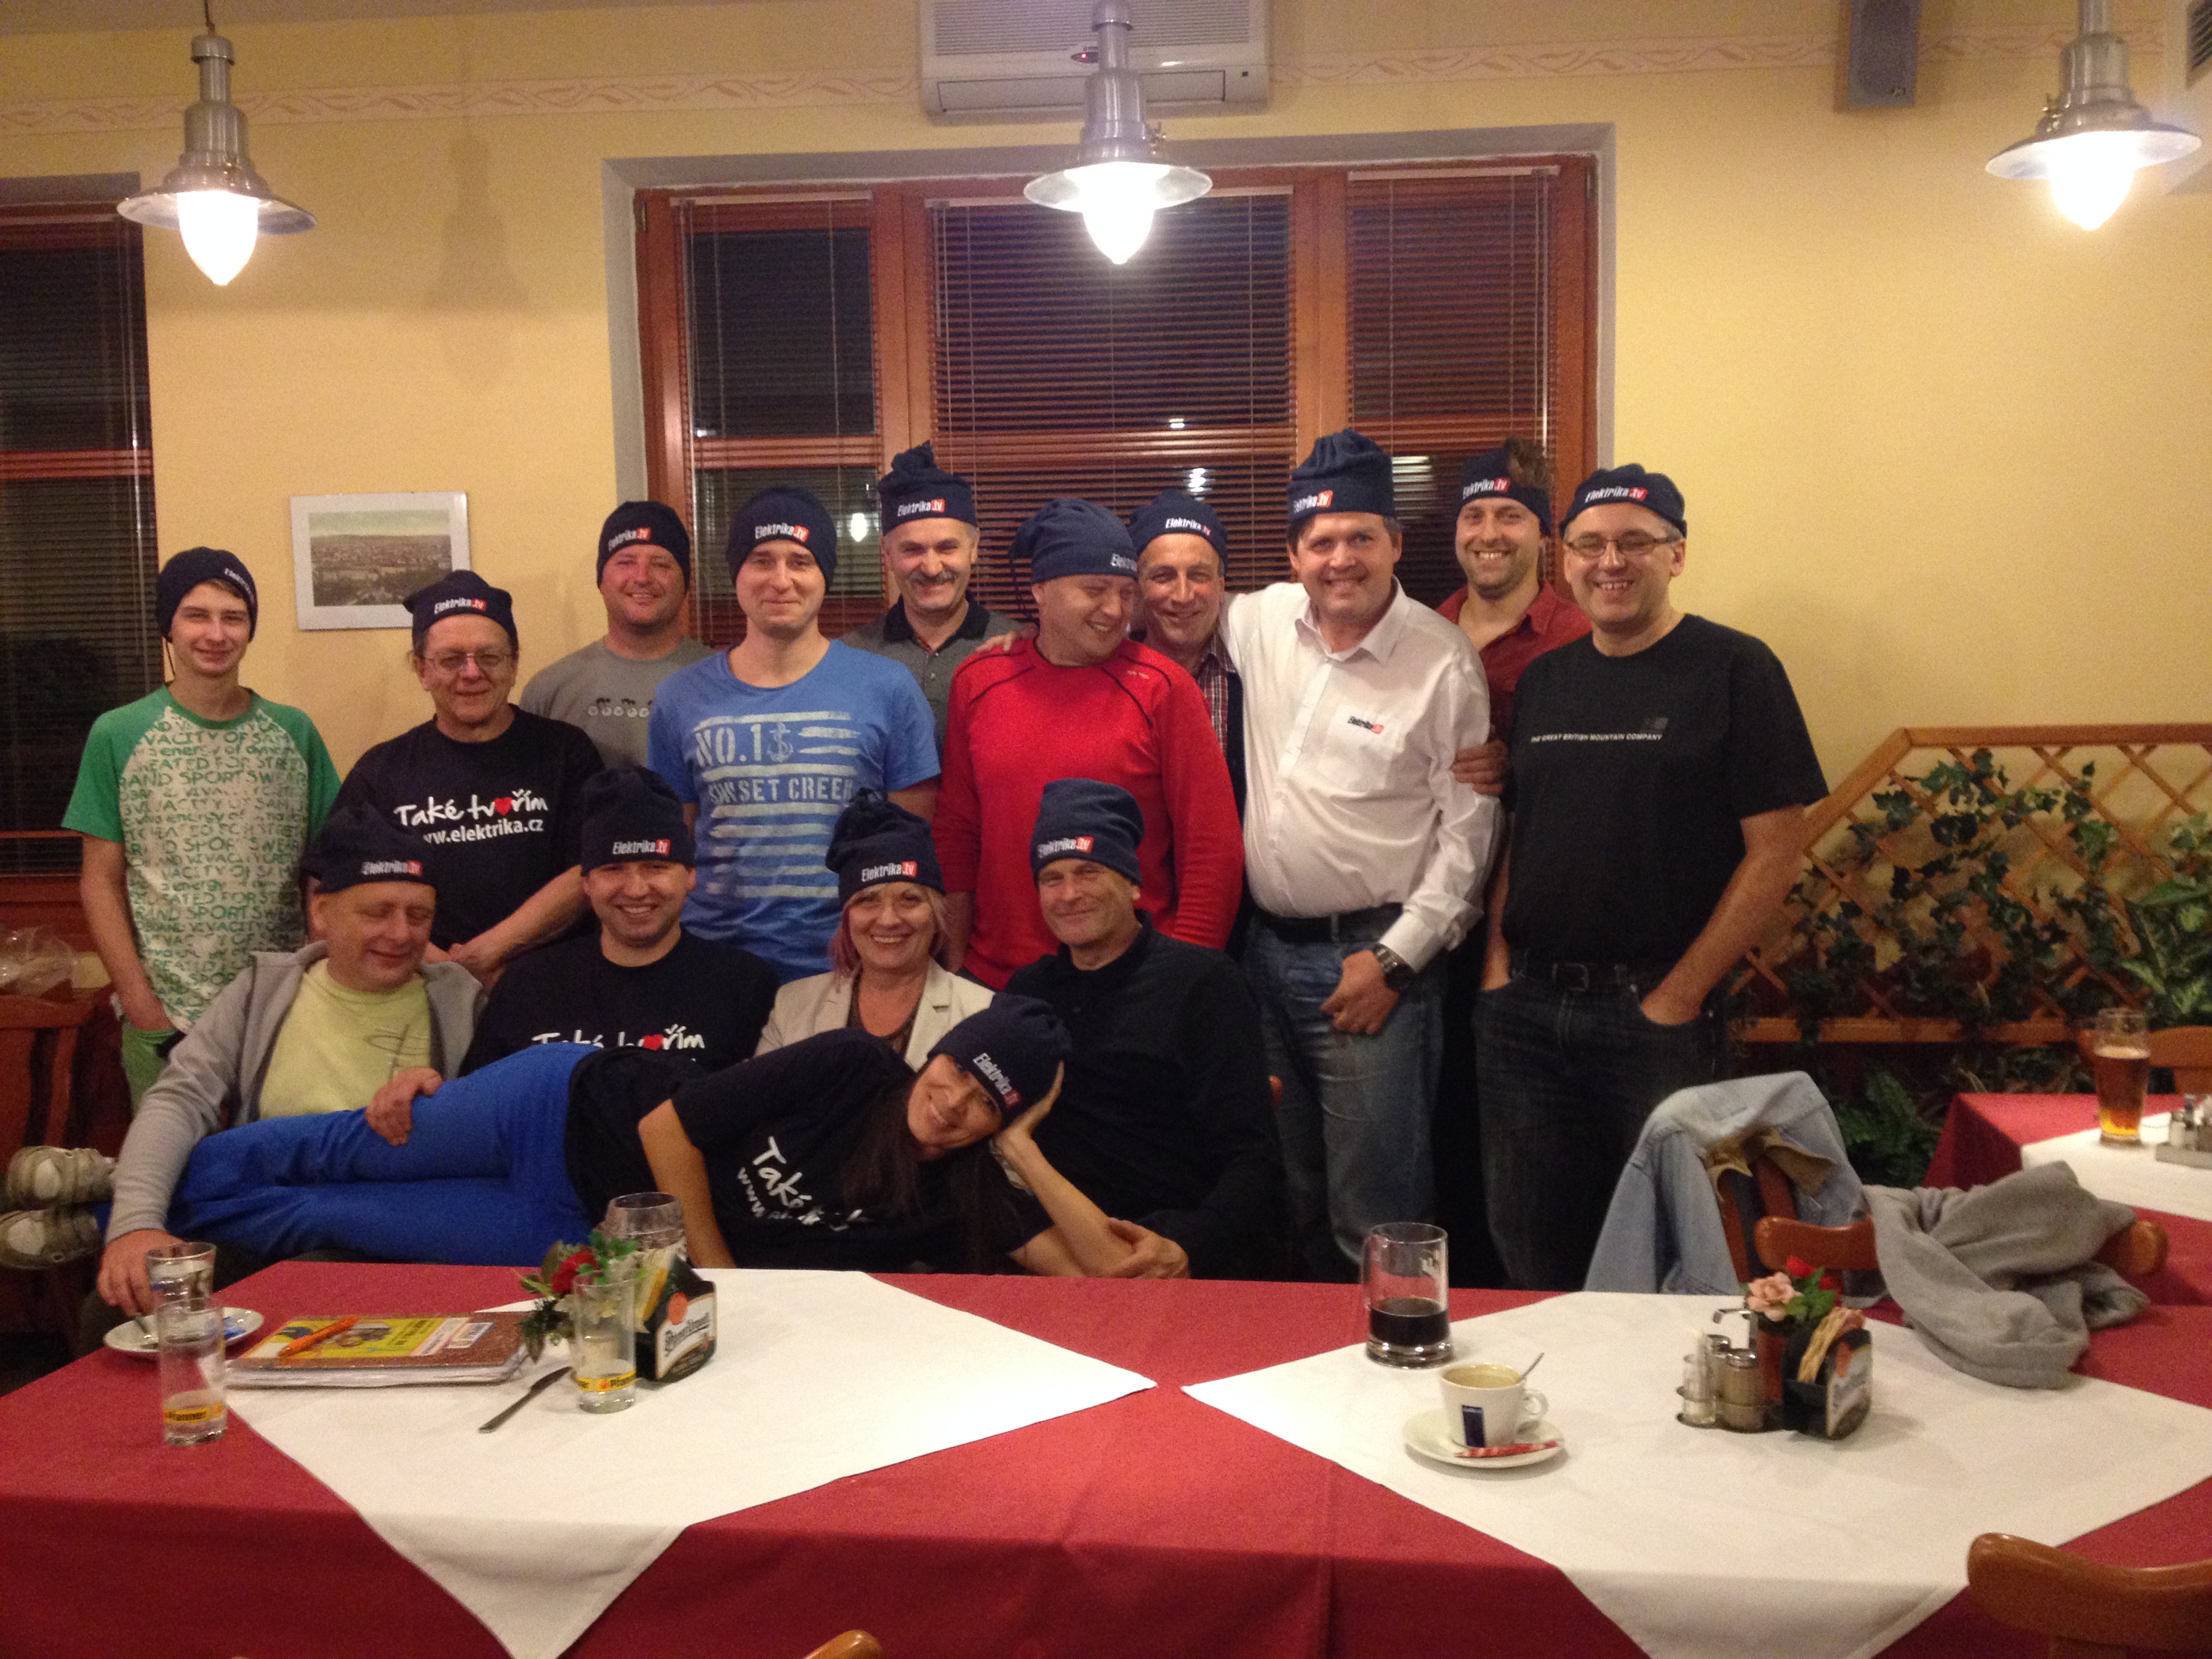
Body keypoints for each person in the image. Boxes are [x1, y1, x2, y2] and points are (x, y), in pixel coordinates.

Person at [1477, 464, 1827, 1291]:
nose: (1611, 562)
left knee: (1672, 1253)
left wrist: (1678, 995)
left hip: (1654, 1015)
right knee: (1530, 1246)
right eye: (1591, 544)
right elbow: (1523, 834)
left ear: (1676, 554)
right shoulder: (1547, 680)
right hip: (1525, 1015)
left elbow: (1777, 851)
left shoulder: (1736, 668)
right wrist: (1496, 967)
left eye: (1635, 542)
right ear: (1566, 559)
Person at [147, 1001, 1148, 1277]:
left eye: (987, 1103)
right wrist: (720, 1278)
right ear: (937, 1052)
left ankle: (172, 1241)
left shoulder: (962, 1189)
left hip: (588, 1233)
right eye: (956, 1070)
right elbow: (669, 1126)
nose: (955, 1102)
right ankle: (141, 1202)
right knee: (342, 1150)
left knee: (332, 1218)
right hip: (562, 1107)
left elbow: (1109, 1278)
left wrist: (1025, 1150)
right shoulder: (853, 1065)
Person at [1222, 430, 1501, 1279]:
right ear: (1294, 554)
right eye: (1321, 542)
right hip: (1263, 958)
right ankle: (1315, 1359)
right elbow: (1158, 608)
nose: (1340, 559)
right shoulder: (1258, 620)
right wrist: (1012, 640)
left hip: (1372, 965)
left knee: (1376, 1214)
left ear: (1396, 543)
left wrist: (1397, 959)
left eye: (1360, 538)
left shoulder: (1441, 661)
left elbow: (1469, 833)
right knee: (1293, 1195)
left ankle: (1395, 1355)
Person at [77, 804, 480, 1314]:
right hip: (260, 1224)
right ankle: (100, 1208)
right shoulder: (261, 991)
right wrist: (136, 1226)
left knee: (310, 1287)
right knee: (114, 1310)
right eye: (377, 913)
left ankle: (85, 1202)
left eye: (418, 916)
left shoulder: (462, 1002)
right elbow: (179, 1101)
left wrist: (448, 1096)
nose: (401, 934)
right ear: (322, 912)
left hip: (387, 1235)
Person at [64, 548, 340, 1102]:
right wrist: (140, 1003)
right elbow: (100, 882)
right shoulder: (119, 733)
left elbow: (327, 867)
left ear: (250, 629)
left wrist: (322, 977)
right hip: (168, 1016)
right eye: (197, 615)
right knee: (176, 1156)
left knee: (279, 1150)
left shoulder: (294, 732)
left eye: (233, 617)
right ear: (168, 626)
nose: (216, 634)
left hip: (279, 1006)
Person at [935, 498, 1242, 989]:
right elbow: (958, 831)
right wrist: (953, 964)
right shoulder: (978, 681)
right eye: (1095, 590)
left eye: (1126, 592)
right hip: (997, 976)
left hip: (1131, 982)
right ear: (1040, 591)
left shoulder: (1163, 687)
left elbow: (1211, 849)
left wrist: (1182, 979)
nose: (1115, 610)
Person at [647, 486, 939, 983]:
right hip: (714, 966)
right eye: (761, 561)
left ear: (824, 576)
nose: (781, 580)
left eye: (800, 562)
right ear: (736, 574)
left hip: (850, 965)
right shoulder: (679, 697)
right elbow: (674, 850)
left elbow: (912, 849)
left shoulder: (888, 688)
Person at [1005, 780, 1284, 1280]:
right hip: (1062, 1252)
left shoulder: (1203, 983)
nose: (1069, 894)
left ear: (1133, 885)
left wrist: (1189, 1246)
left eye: (1089, 872)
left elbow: (1252, 1158)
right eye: (1052, 878)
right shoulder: (1028, 992)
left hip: (1180, 1254)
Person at [1431, 442, 1591, 1282]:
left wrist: (1515, 762)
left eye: (1510, 516)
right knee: (1441, 1130)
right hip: (1426, 920)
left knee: (1528, 1149)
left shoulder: (1579, 638)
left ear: (1543, 533)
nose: (1489, 532)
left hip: (1528, 931)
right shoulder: (1418, 631)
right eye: (1474, 515)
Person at [333, 571, 604, 979]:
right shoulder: (380, 771)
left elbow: (589, 869)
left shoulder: (566, 752)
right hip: (419, 986)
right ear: (422, 670)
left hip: (551, 984)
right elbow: (339, 889)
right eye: (451, 660)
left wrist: (490, 953)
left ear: (514, 664)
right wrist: (448, 972)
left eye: (489, 657)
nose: (472, 673)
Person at [451, 767, 778, 1079]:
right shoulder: (528, 986)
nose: (636, 890)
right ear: (586, 883)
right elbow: (476, 1105)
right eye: (614, 869)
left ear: (690, 875)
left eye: (655, 867)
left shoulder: (744, 986)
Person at [754, 791, 992, 1065]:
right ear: (847, 917)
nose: (889, 920)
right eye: (868, 900)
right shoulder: (792, 1006)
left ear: (936, 914)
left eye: (910, 899)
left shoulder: (982, 1013)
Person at [840, 443, 1020, 754]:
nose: (932, 568)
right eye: (912, 550)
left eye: (947, 548)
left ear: (974, 548)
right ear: (887, 554)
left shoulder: (1018, 650)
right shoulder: (850, 657)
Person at [519, 501, 712, 769]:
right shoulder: (549, 689)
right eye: (626, 562)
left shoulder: (724, 682)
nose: (642, 577)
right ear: (601, 580)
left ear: (685, 583)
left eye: (661, 564)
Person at [1128, 488, 1245, 809]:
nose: (1183, 596)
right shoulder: (1110, 673)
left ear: (1221, 587)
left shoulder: (1254, 671)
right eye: (1163, 576)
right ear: (1137, 587)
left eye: (1198, 575)